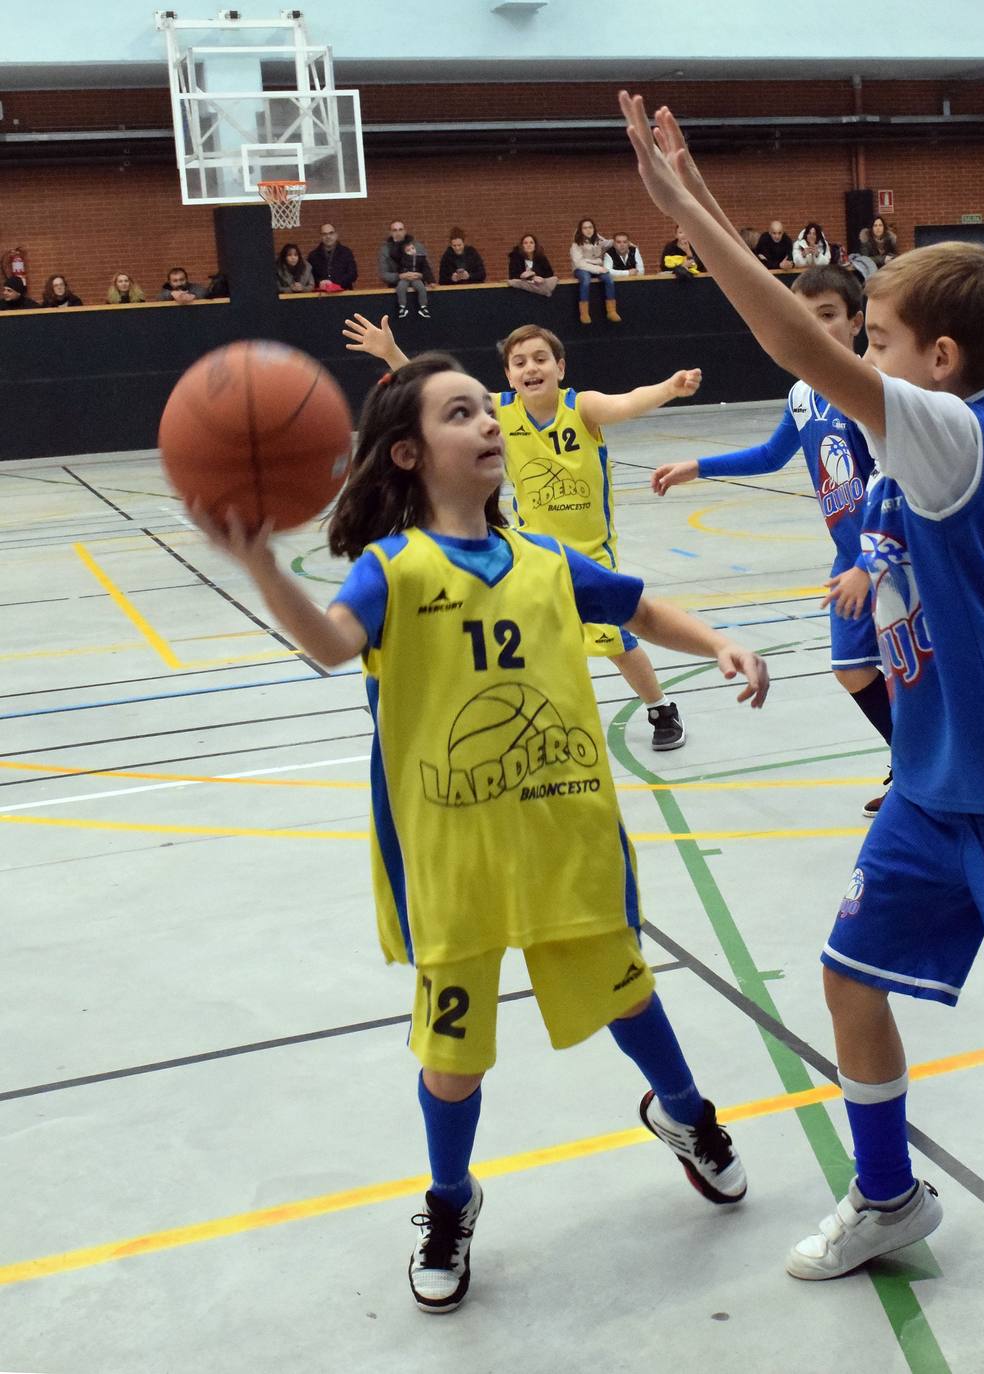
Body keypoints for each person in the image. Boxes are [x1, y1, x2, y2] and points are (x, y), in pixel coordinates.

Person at [620, 89, 984, 1366]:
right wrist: (697, 195)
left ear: (936, 360)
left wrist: (686, 217)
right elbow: (820, 371)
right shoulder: (907, 442)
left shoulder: (948, 434)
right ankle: (891, 1195)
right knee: (846, 977)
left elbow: (798, 346)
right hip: (931, 785)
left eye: (875, 335)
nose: (854, 352)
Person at [185, 352, 764, 1314]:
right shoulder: (394, 570)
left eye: (489, 409)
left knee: (629, 998)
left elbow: (639, 606)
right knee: (453, 1060)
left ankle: (687, 1115)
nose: (490, 422)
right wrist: (257, 565)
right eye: (464, 413)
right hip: (452, 858)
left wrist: (717, 641)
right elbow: (330, 645)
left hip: (566, 833)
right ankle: (450, 1201)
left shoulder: (542, 562)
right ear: (409, 453)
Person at [342, 314, 698, 750]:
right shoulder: (497, 411)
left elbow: (627, 402)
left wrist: (669, 388)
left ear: (560, 367)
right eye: (519, 362)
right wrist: (390, 355)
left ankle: (661, 707)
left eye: (540, 359)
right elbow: (432, 390)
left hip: (590, 553)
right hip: (531, 554)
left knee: (617, 642)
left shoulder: (582, 407)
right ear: (508, 374)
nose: (530, 368)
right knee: (534, 643)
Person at [652, 264, 893, 816]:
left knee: (911, 670)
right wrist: (699, 466)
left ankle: (924, 773)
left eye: (828, 316)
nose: (813, 328)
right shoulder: (803, 395)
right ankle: (909, 758)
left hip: (890, 556)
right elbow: (770, 455)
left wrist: (870, 559)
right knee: (852, 667)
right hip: (849, 557)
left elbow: (893, 478)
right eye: (801, 317)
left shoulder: (871, 387)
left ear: (857, 322)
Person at [569, 217, 622, 324]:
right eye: (585, 228)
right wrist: (598, 269)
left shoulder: (598, 239)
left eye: (590, 227)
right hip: (581, 268)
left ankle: (611, 311)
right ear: (580, 230)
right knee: (585, 280)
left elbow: (607, 243)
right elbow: (579, 263)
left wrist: (620, 242)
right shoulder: (576, 244)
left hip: (597, 267)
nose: (588, 230)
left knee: (609, 279)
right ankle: (584, 313)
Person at [379, 222, 431, 319]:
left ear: (405, 231)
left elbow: (426, 267)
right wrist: (399, 276)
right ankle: (402, 308)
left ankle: (424, 308)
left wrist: (420, 275)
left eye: (400, 229)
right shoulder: (385, 250)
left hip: (418, 287)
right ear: (390, 232)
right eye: (395, 230)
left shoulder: (417, 247)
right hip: (395, 292)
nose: (398, 233)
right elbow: (383, 274)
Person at [308, 222, 359, 292]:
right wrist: (320, 282)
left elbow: (353, 274)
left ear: (336, 235)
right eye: (324, 234)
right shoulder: (313, 256)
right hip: (321, 296)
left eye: (331, 233)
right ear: (320, 236)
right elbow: (310, 277)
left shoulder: (346, 253)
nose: (328, 236)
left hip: (344, 294)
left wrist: (334, 284)